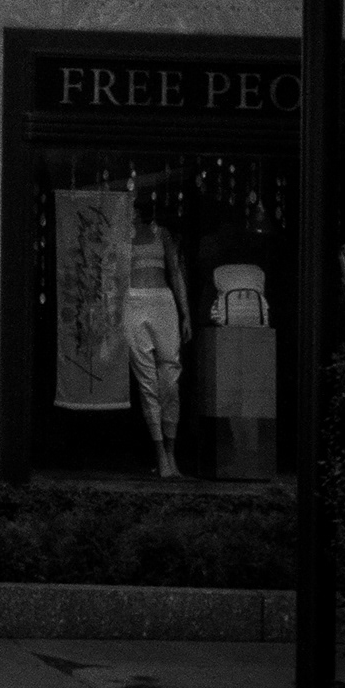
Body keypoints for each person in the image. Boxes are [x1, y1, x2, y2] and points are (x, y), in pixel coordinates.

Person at [124, 188, 192, 478]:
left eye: (135, 207)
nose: (133, 212)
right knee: (147, 381)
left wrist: (186, 313)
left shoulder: (161, 234)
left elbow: (176, 273)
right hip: (133, 302)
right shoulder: (121, 236)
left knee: (170, 380)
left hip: (163, 302)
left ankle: (172, 453)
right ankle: (161, 454)